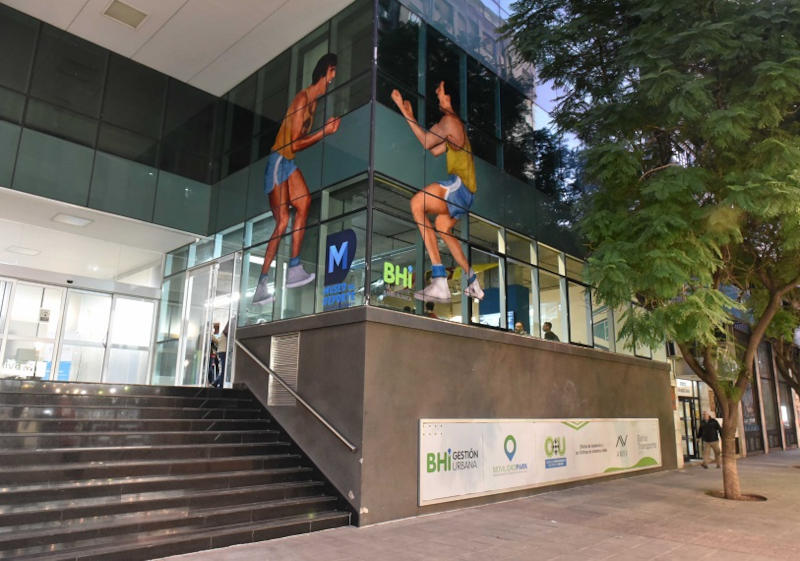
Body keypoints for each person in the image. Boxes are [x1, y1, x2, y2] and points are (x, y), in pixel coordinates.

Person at [252, 53, 341, 305]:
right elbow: (294, 143)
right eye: (332, 76)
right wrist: (325, 132)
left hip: (287, 163)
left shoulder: (313, 104)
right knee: (282, 223)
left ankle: (294, 268)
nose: (332, 82)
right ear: (326, 71)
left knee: (304, 204)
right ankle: (262, 284)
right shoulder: (302, 100)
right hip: (278, 160)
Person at [391, 82, 483, 304]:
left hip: (459, 186)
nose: (439, 94)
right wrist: (411, 116)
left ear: (450, 101)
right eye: (439, 91)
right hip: (467, 193)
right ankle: (473, 281)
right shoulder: (455, 127)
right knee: (443, 228)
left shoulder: (449, 121)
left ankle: (440, 279)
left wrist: (404, 111)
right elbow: (434, 150)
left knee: (416, 204)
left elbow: (425, 141)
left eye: (443, 92)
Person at [212, 322, 229, 388]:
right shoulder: (226, 331)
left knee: (224, 369)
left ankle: (215, 383)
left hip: (222, 350)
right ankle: (220, 385)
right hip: (223, 350)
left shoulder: (223, 333)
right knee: (224, 369)